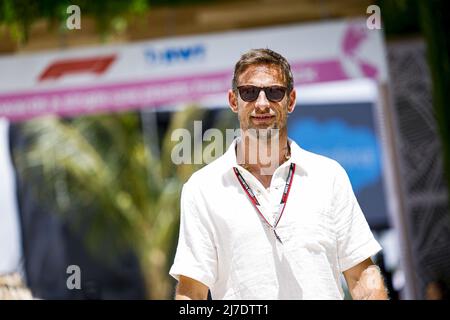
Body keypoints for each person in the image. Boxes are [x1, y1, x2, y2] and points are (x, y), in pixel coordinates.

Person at [169, 48, 388, 300]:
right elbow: (192, 291)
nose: (262, 103)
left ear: (291, 100)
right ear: (233, 101)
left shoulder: (329, 176)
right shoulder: (202, 188)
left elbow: (362, 276)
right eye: (249, 92)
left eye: (274, 92)